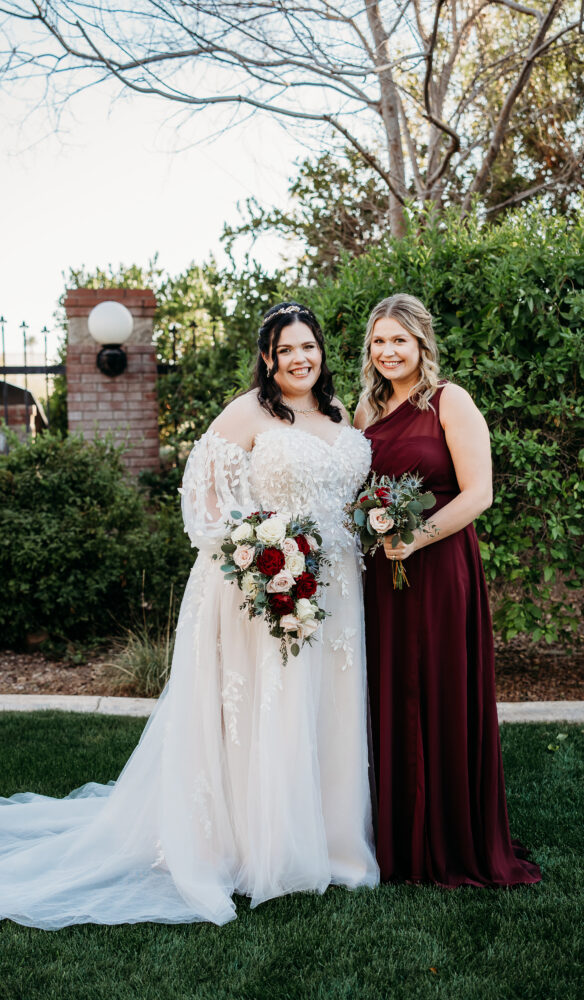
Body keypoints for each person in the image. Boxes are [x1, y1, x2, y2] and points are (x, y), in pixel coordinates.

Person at [0, 302, 378, 929]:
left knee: (327, 709)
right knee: (275, 709)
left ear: (321, 351)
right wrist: (260, 552)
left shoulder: (341, 414)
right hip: (272, 587)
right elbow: (202, 500)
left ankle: (335, 843)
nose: (300, 359)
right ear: (268, 358)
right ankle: (265, 849)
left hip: (340, 592)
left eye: (308, 347)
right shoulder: (248, 412)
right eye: (286, 350)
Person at [354, 293, 541, 889]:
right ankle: (398, 840)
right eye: (379, 341)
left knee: (438, 686)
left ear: (421, 345)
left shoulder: (449, 401)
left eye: (399, 341)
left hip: (439, 567)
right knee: (388, 692)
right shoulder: (365, 410)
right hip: (383, 574)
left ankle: (452, 835)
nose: (388, 352)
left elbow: (478, 492)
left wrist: (419, 535)